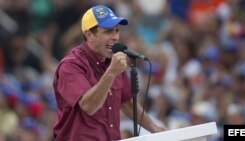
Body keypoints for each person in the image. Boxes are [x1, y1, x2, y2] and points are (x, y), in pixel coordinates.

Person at [53, 5, 166, 141]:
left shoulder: (112, 62)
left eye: (117, 31)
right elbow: (88, 106)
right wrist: (111, 72)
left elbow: (127, 103)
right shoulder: (71, 65)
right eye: (108, 32)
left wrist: (156, 129)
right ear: (89, 35)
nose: (115, 37)